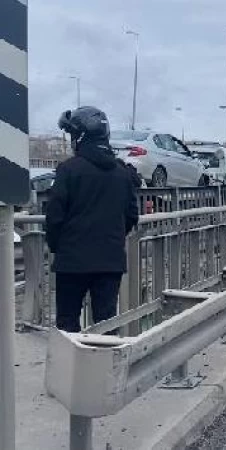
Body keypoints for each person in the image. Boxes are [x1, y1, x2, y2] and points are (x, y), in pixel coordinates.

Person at [46, 106, 139, 333]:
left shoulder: (68, 170)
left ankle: (72, 369)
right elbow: (131, 216)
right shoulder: (122, 173)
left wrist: (61, 246)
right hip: (109, 260)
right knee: (106, 324)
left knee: (67, 325)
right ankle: (105, 367)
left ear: (80, 137)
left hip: (72, 262)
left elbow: (54, 217)